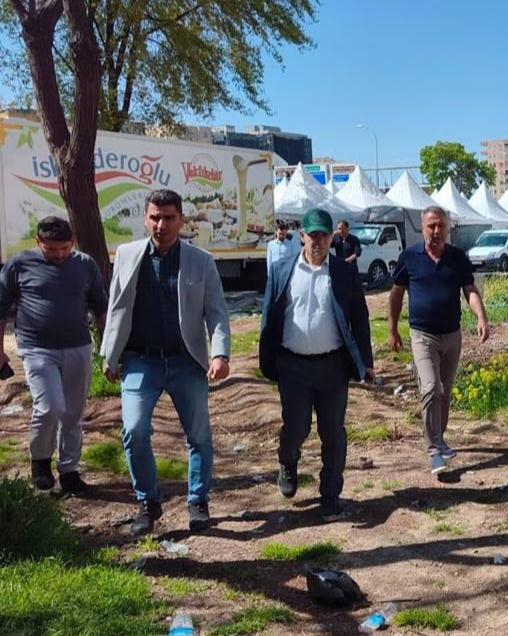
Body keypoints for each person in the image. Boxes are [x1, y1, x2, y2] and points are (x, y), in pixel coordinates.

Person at [101, 189, 231, 536]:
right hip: (140, 361)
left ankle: (197, 500)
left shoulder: (200, 261)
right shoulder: (128, 255)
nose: (161, 225)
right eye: (155, 217)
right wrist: (109, 354)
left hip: (186, 361)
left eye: (169, 218)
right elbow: (116, 307)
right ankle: (147, 501)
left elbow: (216, 313)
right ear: (146, 218)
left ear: (181, 220)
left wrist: (220, 353)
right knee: (134, 429)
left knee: (199, 435)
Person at [260, 208, 373, 521]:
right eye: (313, 235)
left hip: (332, 366)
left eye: (324, 235)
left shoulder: (344, 273)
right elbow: (269, 315)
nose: (318, 241)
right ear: (301, 236)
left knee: (332, 432)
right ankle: (288, 462)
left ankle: (330, 494)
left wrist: (366, 361)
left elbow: (360, 319)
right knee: (296, 428)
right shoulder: (282, 269)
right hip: (292, 366)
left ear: (332, 237)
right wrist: (267, 358)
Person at [0, 217, 107, 494]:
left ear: (72, 243)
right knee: (49, 407)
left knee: (72, 412)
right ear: (39, 242)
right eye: (51, 249)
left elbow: (100, 307)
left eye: (65, 249)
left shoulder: (85, 265)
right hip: (36, 348)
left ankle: (70, 471)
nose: (59, 255)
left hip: (78, 347)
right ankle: (41, 462)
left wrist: (108, 348)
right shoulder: (19, 264)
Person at [388, 206, 489, 475]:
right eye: (431, 226)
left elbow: (470, 290)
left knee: (445, 392)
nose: (436, 231)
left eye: (440, 226)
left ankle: (440, 438)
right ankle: (433, 450)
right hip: (422, 335)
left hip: (452, 334)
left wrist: (481, 317)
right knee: (430, 388)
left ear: (447, 228)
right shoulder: (409, 257)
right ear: (423, 228)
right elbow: (396, 295)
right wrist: (392, 329)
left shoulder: (457, 257)